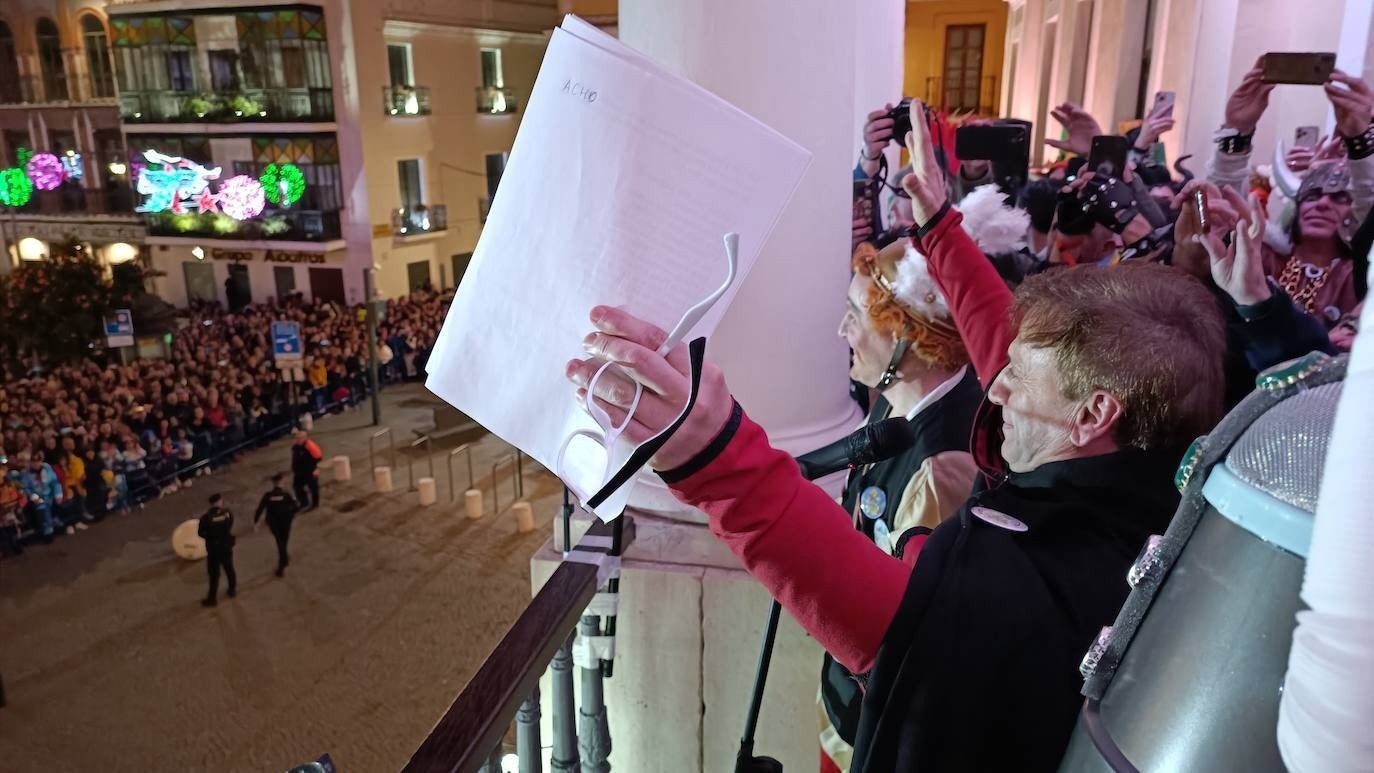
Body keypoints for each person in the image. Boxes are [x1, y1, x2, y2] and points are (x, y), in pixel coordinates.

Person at [563, 100, 1231, 771]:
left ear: (1093, 415)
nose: (993, 390)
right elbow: (1006, 342)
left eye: (1018, 381)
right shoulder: (1142, 483)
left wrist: (716, 458)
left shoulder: (1039, 579)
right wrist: (939, 227)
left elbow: (898, 626)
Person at [819, 221, 991, 771]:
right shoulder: (896, 400)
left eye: (856, 315)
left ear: (907, 335)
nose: (842, 329)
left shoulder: (943, 469)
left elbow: (911, 638)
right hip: (847, 698)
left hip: (878, 731)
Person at [1208, 61, 1374, 327]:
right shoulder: (1260, 257)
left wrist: (1361, 142)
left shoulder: (1360, 274)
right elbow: (1218, 209)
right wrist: (1236, 132)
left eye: (1339, 198)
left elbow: (1370, 211)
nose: (1321, 204)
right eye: (1311, 195)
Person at [253, 473, 299, 577]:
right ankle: (283, 563)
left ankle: (283, 563)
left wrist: (256, 522)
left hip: (274, 523)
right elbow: (296, 507)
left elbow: (260, 509)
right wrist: (291, 516)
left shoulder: (268, 495)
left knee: (280, 542)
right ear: (281, 482)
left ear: (273, 483)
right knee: (284, 540)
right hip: (286, 522)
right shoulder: (287, 494)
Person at [197, 493, 236, 607]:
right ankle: (232, 590)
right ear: (220, 501)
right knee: (229, 569)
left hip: (214, 549)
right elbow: (230, 524)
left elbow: (200, 533)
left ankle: (212, 599)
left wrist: (211, 536)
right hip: (226, 546)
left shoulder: (206, 517)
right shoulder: (227, 513)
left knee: (214, 574)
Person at [290, 429, 323, 511]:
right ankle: (304, 502)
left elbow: (318, 458)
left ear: (305, 438)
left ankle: (315, 504)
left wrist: (316, 469)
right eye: (297, 437)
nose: (298, 439)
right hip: (299, 472)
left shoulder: (310, 446)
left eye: (300, 437)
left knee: (313, 488)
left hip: (310, 471)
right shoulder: (295, 446)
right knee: (297, 487)